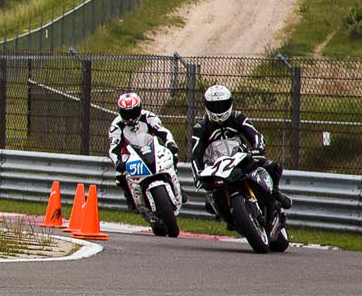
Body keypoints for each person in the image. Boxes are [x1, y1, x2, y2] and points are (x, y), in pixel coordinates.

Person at [188, 84, 294, 213]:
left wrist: (258, 148)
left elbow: (255, 135)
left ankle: (275, 192)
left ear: (230, 103)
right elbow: (196, 155)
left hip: (242, 159)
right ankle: (228, 213)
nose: (219, 109)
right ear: (207, 106)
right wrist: (198, 176)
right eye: (214, 106)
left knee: (273, 166)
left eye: (222, 105)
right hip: (217, 168)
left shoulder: (237, 117)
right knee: (210, 206)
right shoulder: (200, 128)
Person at [106, 91, 178, 211]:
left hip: (151, 148)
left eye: (133, 112)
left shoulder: (148, 117)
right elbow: (113, 148)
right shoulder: (116, 125)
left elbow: (163, 132)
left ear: (139, 108)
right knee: (120, 175)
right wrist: (118, 162)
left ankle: (176, 185)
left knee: (172, 156)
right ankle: (130, 197)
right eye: (126, 113)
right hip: (129, 154)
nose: (130, 117)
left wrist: (171, 143)